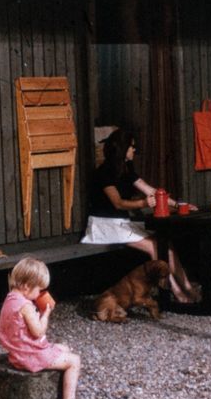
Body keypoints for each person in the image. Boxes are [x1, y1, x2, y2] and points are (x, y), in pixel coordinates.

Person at [80, 128, 198, 303]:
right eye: (132, 146)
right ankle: (178, 294)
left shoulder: (126, 170)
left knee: (165, 243)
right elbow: (118, 203)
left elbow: (151, 190)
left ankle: (187, 288)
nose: (134, 150)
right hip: (104, 225)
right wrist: (143, 203)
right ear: (123, 148)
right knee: (153, 247)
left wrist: (178, 205)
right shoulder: (104, 173)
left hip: (121, 223)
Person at [0, 256, 85, 399]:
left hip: (17, 353)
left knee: (63, 348)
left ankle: (60, 389)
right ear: (26, 286)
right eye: (38, 289)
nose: (39, 294)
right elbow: (38, 332)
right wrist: (45, 314)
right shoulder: (25, 306)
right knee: (74, 361)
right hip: (29, 357)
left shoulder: (10, 298)